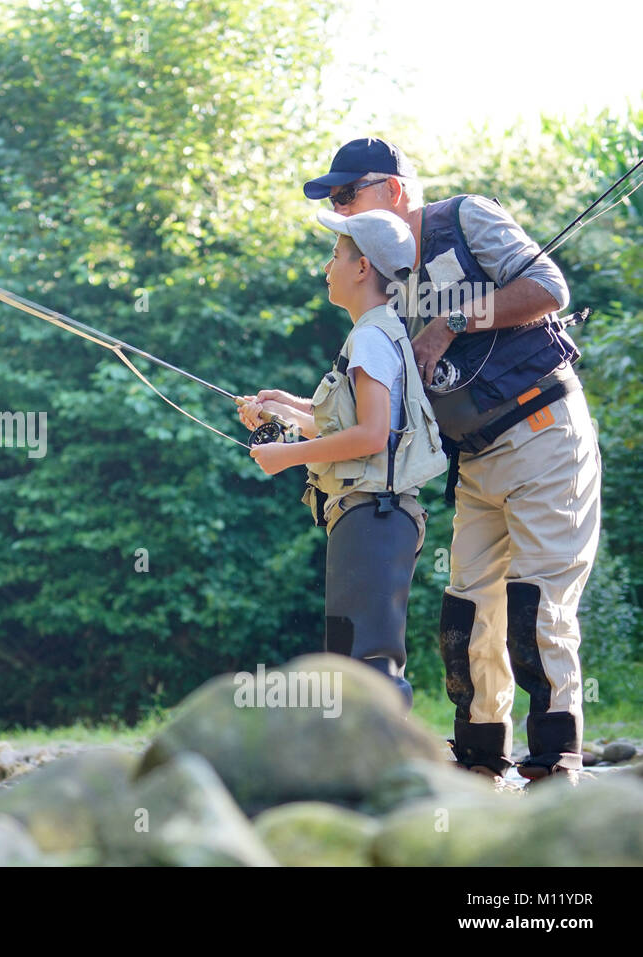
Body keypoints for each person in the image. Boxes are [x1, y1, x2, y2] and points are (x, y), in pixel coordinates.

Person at [298, 137, 601, 783]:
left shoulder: (466, 218)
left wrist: (452, 321)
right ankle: (481, 766)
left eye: (349, 193)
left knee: (535, 606)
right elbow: (374, 409)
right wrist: (293, 415)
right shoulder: (379, 278)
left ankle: (554, 771)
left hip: (542, 428)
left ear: (396, 189)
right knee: (465, 617)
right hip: (475, 461)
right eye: (335, 201)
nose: (342, 209)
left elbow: (549, 286)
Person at [240, 209, 448, 708]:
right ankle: (361, 773)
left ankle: (388, 775)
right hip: (366, 518)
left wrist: (287, 456)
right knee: (349, 656)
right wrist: (286, 410)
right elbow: (353, 427)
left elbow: (372, 436)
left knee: (369, 664)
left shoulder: (372, 340)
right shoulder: (374, 333)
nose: (325, 268)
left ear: (361, 269)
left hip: (375, 517)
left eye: (335, 256)